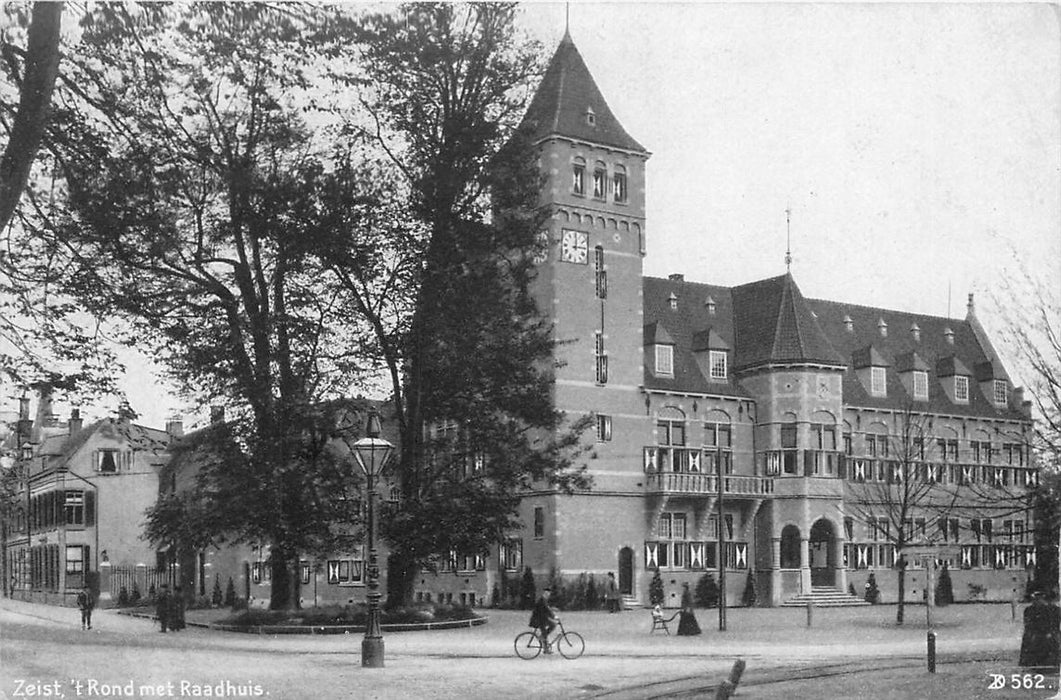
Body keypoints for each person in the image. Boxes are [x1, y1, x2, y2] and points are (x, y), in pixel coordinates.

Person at [1020, 591, 1060, 670]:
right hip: (1036, 636)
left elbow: (1055, 624)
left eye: (1040, 598)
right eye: (1036, 598)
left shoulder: (1055, 610)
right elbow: (1028, 625)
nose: (1038, 600)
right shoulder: (1029, 610)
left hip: (1047, 636)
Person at [528, 587, 559, 653]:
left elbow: (547, 609)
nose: (548, 595)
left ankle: (546, 649)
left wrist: (553, 610)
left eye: (549, 593)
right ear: (545, 593)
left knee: (545, 632)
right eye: (547, 593)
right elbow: (546, 609)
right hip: (538, 620)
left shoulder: (544, 600)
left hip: (541, 619)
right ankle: (544, 643)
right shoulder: (542, 600)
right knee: (553, 625)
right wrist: (554, 616)